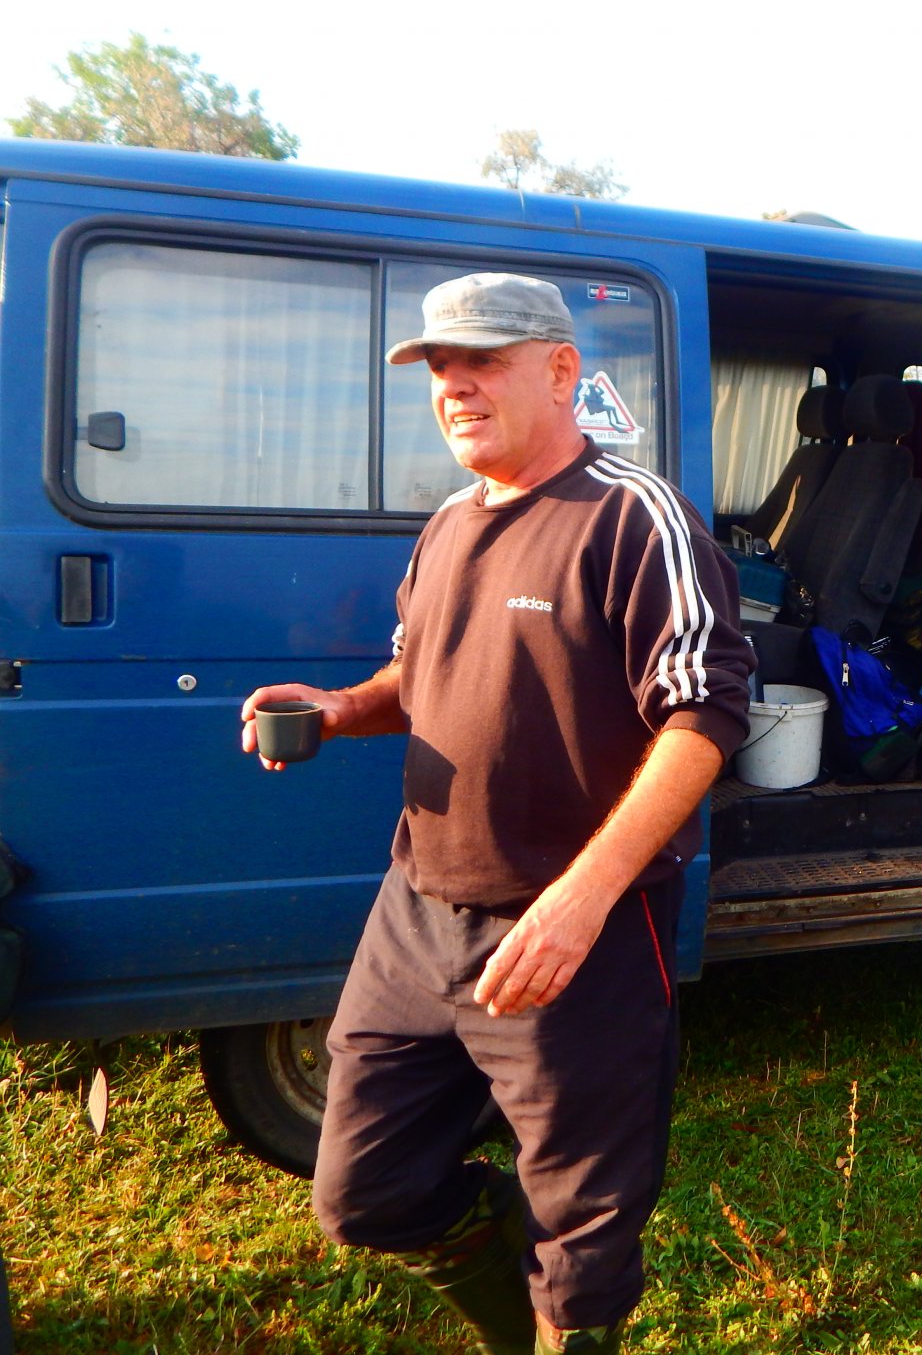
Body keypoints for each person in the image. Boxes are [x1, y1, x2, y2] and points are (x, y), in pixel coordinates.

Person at [240, 273, 754, 1355]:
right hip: (419, 909)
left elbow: (704, 717)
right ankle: (508, 1276)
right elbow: (417, 673)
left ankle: (562, 1315)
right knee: (361, 1189)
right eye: (439, 366)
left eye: (483, 361)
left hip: (576, 930)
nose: (454, 386)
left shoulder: (633, 516)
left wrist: (584, 897)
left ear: (562, 371)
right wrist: (341, 709)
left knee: (585, 1236)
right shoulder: (446, 524)